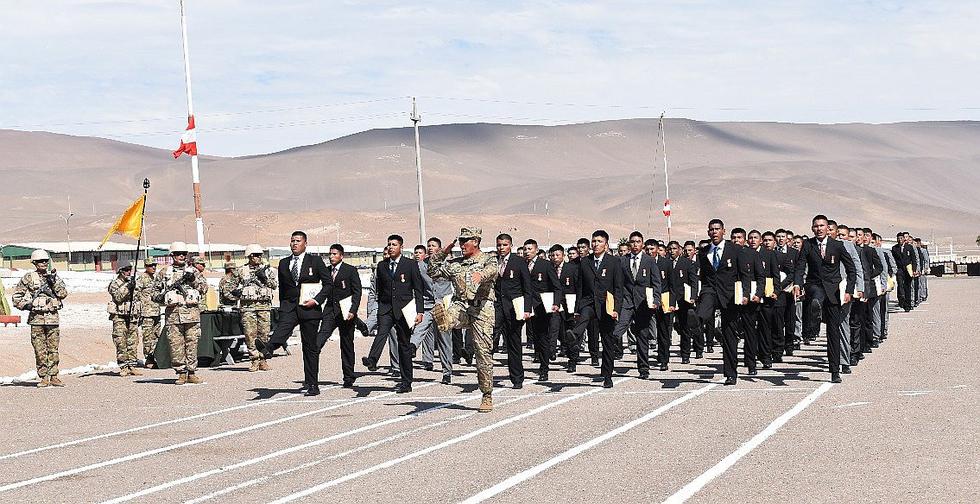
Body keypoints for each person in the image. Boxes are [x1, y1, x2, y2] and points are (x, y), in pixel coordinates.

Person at [429, 227, 499, 412]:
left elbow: (493, 270)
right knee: (449, 315)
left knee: (482, 352)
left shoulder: (488, 258)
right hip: (461, 305)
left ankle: (487, 394)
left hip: (482, 308)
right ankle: (445, 321)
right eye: (459, 241)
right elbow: (432, 270)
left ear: (475, 241)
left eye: (465, 241)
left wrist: (481, 275)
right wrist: (443, 252)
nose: (461, 245)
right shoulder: (455, 263)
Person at [265, 231, 331, 395]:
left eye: (298, 241)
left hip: (309, 308)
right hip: (290, 307)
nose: (294, 244)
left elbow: (328, 284)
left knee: (309, 347)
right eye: (292, 241)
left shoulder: (314, 261)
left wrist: (317, 300)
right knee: (283, 328)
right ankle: (270, 347)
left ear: (305, 243)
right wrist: (282, 307)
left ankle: (312, 384)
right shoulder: (283, 263)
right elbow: (283, 288)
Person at [795, 215, 856, 383]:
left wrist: (849, 290)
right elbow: (800, 266)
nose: (819, 229)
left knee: (833, 332)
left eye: (822, 226)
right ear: (812, 228)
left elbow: (851, 270)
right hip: (814, 286)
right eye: (816, 226)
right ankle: (814, 315)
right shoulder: (808, 245)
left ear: (827, 228)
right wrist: (797, 284)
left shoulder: (837, 245)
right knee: (815, 297)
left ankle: (835, 370)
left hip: (834, 292)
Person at [368, 234, 424, 393]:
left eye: (394, 244)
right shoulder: (382, 266)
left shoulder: (410, 265)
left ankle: (406, 382)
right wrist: (378, 308)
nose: (391, 247)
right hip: (386, 308)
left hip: (404, 310)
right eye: (389, 245)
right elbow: (379, 289)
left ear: (401, 247)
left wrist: (419, 311)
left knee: (404, 345)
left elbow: (418, 290)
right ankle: (372, 359)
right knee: (382, 333)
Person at [696, 219, 746, 385]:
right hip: (711, 290)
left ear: (724, 231)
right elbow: (703, 277)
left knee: (729, 335)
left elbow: (743, 274)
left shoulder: (736, 250)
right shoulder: (703, 253)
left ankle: (731, 373)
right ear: (708, 232)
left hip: (730, 296)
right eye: (711, 229)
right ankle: (695, 322)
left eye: (717, 229)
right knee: (702, 310)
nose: (714, 232)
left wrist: (744, 294)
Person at [573, 230, 624, 388]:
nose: (595, 244)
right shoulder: (585, 262)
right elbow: (580, 287)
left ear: (606, 245)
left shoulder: (614, 262)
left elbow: (618, 288)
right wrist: (576, 309)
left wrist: (616, 309)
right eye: (593, 241)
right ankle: (575, 334)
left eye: (599, 241)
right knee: (585, 314)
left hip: (606, 305)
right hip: (588, 302)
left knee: (607, 342)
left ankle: (607, 375)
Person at [154, 242, 209, 385]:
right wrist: (161, 297)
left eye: (184, 254)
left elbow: (204, 288)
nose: (181, 256)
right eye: (178, 254)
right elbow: (154, 294)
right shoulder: (164, 273)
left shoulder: (194, 271)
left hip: (191, 315)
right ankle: (181, 373)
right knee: (175, 345)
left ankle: (191, 372)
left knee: (192, 344)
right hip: (173, 316)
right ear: (172, 255)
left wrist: (193, 280)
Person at [12, 250, 68, 387]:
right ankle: (43, 377)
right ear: (35, 263)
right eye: (40, 261)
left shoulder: (54, 277)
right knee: (39, 349)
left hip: (52, 319)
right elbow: (16, 297)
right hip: (36, 319)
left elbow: (63, 294)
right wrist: (27, 306)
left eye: (45, 261)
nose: (44, 263)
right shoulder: (29, 278)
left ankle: (54, 376)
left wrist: (53, 282)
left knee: (53, 349)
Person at [224, 244, 278, 373]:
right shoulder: (241, 271)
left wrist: (264, 278)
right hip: (248, 307)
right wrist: (236, 296)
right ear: (249, 256)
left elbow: (274, 285)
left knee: (264, 334)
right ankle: (254, 360)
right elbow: (228, 288)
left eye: (260, 255)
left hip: (264, 306)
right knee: (250, 334)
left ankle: (263, 359)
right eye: (255, 255)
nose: (258, 258)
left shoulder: (267, 270)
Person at [314, 243, 362, 387]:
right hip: (329, 311)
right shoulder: (326, 271)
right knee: (318, 340)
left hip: (346, 312)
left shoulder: (350, 270)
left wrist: (353, 310)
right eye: (330, 254)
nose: (331, 257)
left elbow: (357, 292)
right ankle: (312, 376)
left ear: (341, 255)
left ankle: (348, 377)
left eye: (334, 254)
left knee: (346, 344)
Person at [614, 231, 660, 378]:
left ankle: (644, 369)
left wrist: (656, 301)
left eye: (638, 241)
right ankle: (609, 362)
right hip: (626, 303)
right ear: (629, 243)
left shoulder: (649, 261)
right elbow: (617, 283)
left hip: (643, 304)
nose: (635, 244)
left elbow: (656, 283)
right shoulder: (622, 261)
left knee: (642, 336)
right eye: (632, 242)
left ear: (642, 244)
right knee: (616, 331)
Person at [493, 233, 532, 389]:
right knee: (490, 340)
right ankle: (486, 376)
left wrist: (527, 309)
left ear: (511, 245)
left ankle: (517, 378)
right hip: (497, 308)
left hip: (514, 308)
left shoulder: (519, 262)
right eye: (499, 245)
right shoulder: (492, 262)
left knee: (513, 343)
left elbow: (527, 288)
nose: (501, 248)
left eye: (505, 245)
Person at [523, 239, 562, 381]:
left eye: (530, 249)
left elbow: (556, 286)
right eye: (525, 249)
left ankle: (544, 368)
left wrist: (556, 303)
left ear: (536, 249)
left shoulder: (545, 265)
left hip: (541, 306)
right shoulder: (521, 264)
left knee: (542, 337)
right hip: (524, 305)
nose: (527, 252)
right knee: (531, 337)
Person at [420, 237, 456, 384]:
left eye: (433, 245)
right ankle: (422, 358)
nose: (430, 248)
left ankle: (447, 371)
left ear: (440, 249)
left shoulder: (448, 265)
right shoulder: (420, 266)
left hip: (444, 305)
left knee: (444, 340)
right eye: (428, 245)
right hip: (428, 305)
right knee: (421, 333)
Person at [107, 260, 142, 377]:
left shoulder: (134, 282)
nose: (128, 272)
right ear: (120, 271)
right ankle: (124, 366)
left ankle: (132, 365)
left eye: (130, 270)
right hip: (119, 316)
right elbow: (118, 297)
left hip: (132, 316)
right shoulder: (115, 283)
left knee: (133, 341)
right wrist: (128, 287)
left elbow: (138, 298)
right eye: (126, 270)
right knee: (120, 341)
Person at [669, 240, 699, 363]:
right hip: (669, 299)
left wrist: (693, 296)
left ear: (680, 250)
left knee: (684, 328)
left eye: (675, 248)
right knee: (666, 328)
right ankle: (663, 356)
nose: (672, 251)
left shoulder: (687, 263)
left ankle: (685, 354)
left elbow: (694, 281)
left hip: (683, 299)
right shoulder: (665, 263)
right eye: (670, 249)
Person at [135, 259, 162, 368]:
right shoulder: (142, 278)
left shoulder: (156, 278)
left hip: (156, 311)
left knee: (156, 335)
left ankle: (156, 356)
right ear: (146, 266)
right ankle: (148, 359)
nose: (153, 267)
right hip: (146, 313)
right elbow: (136, 294)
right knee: (147, 337)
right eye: (151, 265)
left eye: (154, 265)